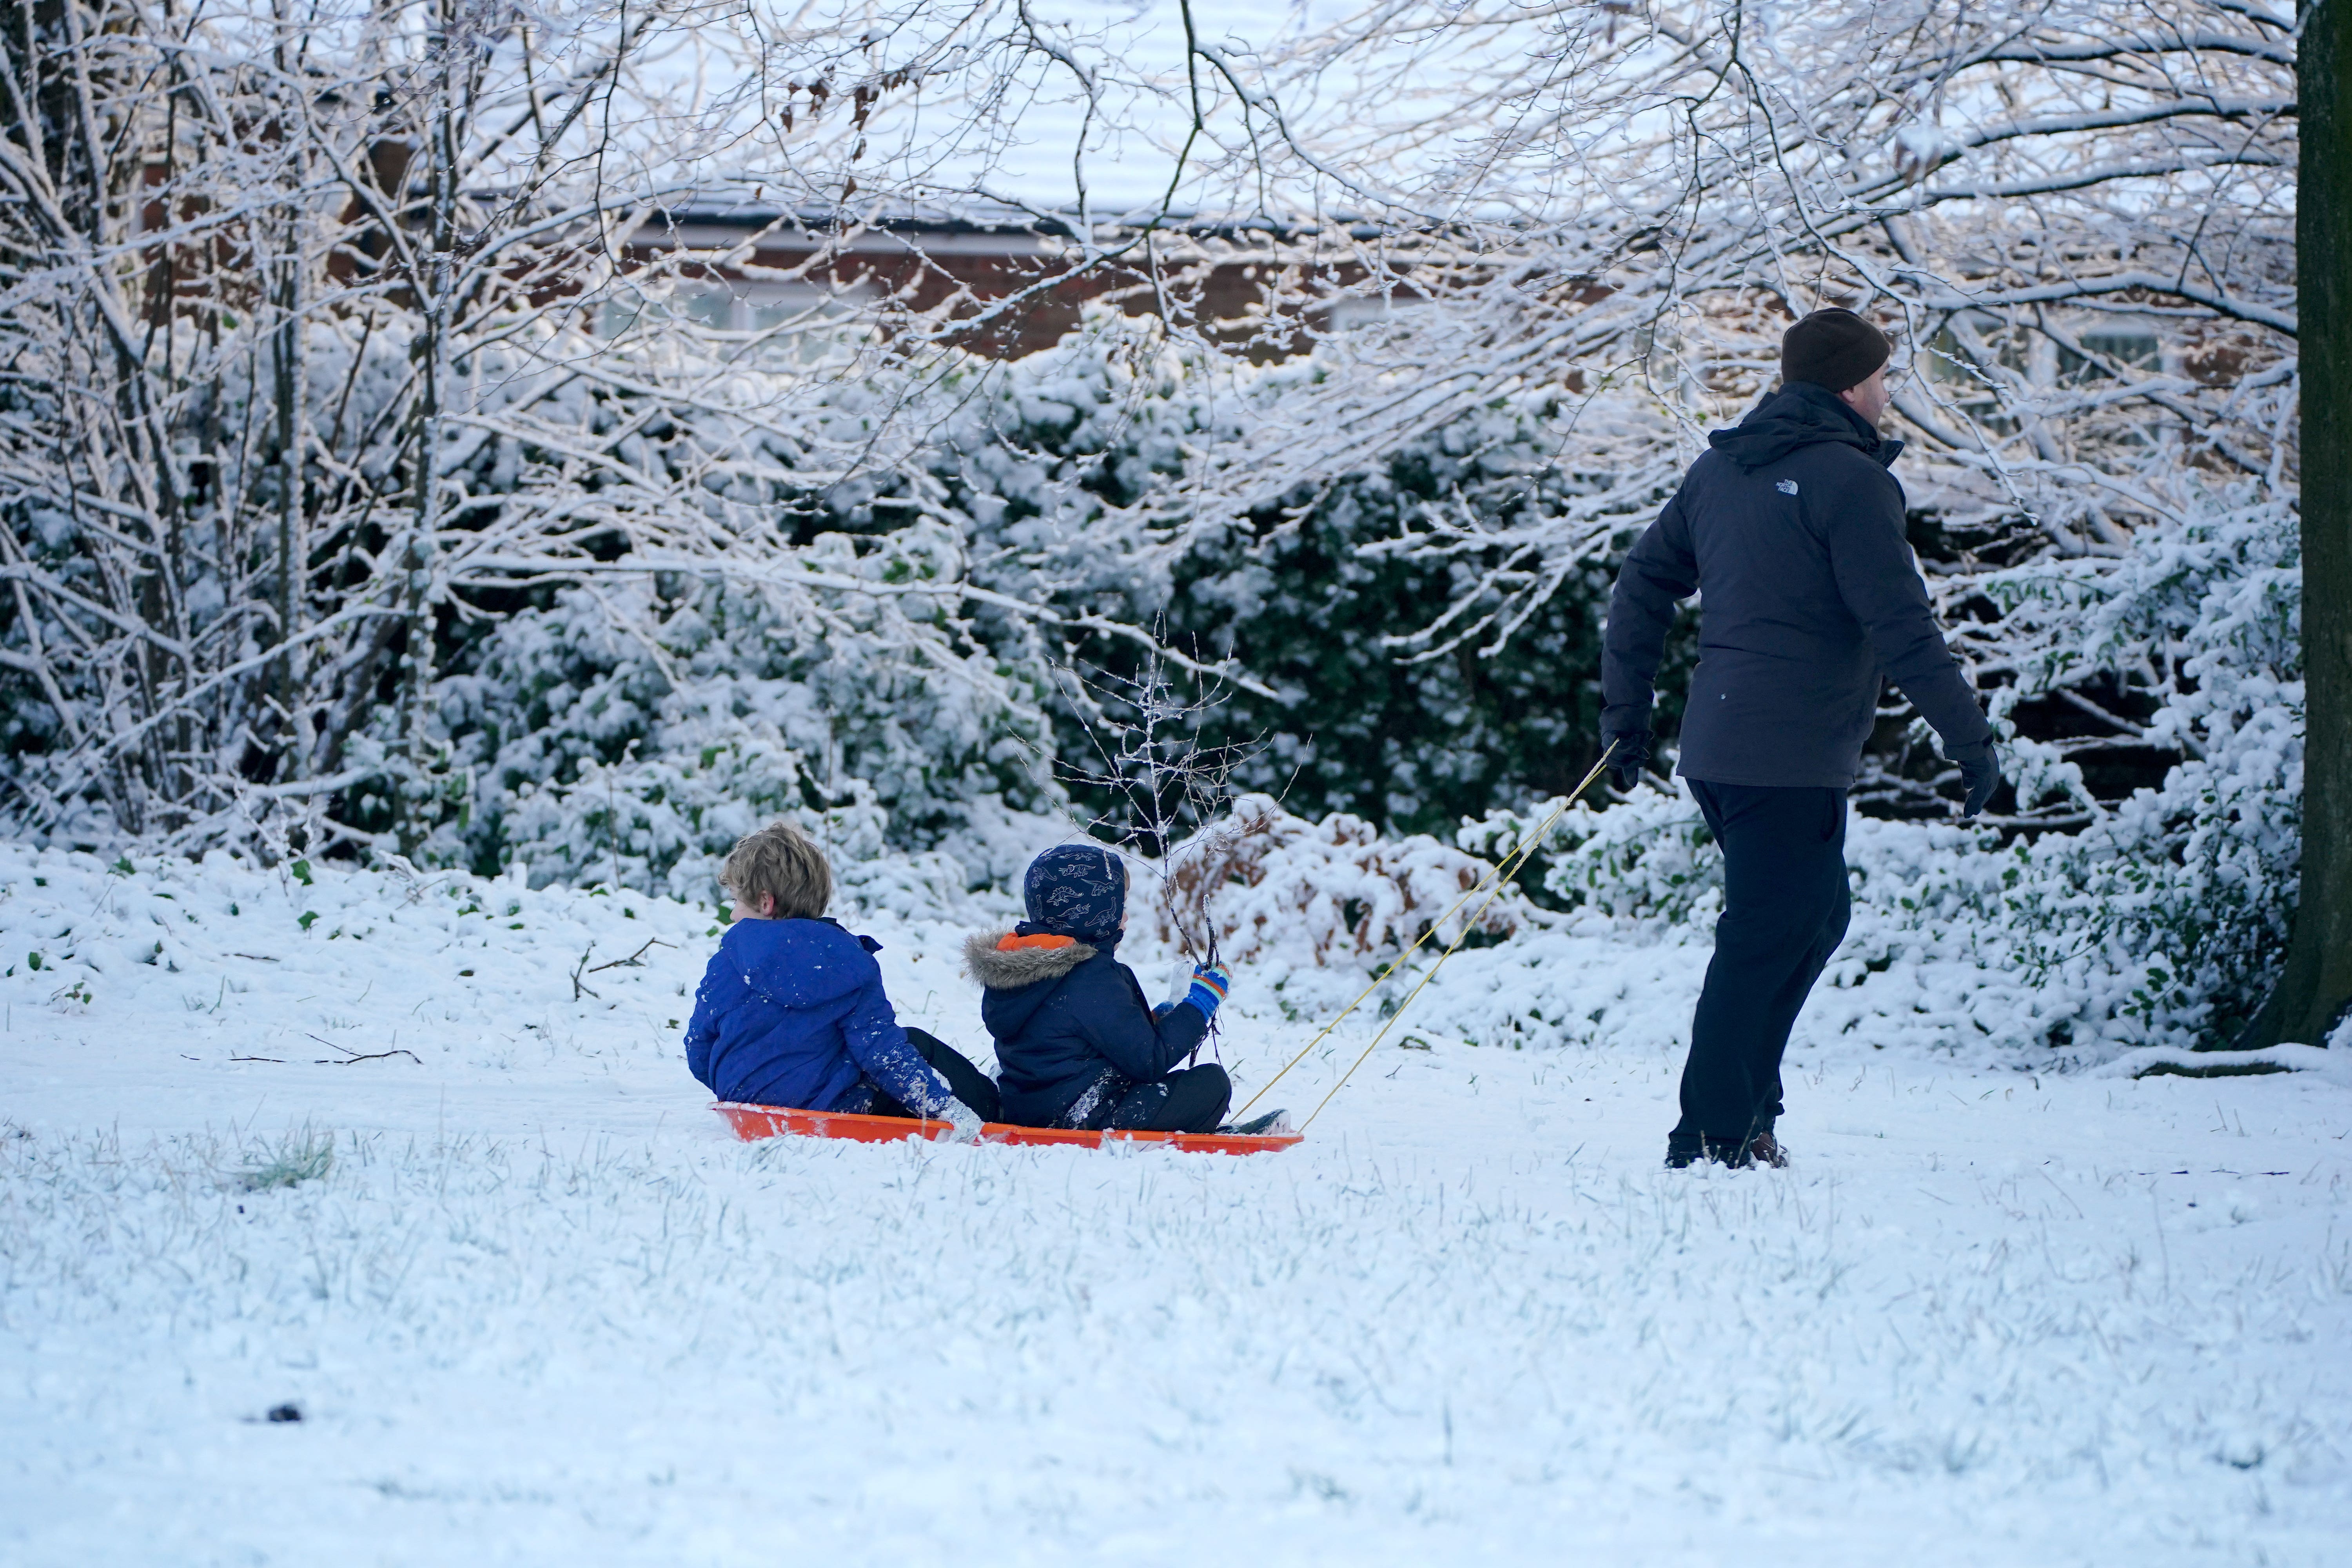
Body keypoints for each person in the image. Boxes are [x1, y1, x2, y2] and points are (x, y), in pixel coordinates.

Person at [1601, 307, 2003, 1171]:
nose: (1890, 393)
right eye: (1883, 378)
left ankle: (1747, 1113)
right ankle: (1710, 1135)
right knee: (1766, 936)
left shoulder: (1721, 470)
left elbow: (1639, 586)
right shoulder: (1850, 482)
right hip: (1784, 756)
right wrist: (1970, 738)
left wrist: (1627, 717)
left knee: (1813, 919)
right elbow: (1902, 625)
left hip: (1721, 749)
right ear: (1851, 386)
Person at [685, 819, 999, 1136]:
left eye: (736, 901)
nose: (733, 913)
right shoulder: (846, 961)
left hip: (747, 1109)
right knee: (914, 1042)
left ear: (766, 903)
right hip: (832, 1108)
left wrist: (743, 1085)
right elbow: (881, 1052)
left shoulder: (727, 962)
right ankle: (997, 1112)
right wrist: (943, 1107)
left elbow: (699, 1047)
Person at [964, 843, 1236, 1133]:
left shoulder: (1023, 964)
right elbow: (1149, 1060)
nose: (1126, 918)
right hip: (1081, 1115)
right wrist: (1199, 1006)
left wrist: (1158, 1020)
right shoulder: (1089, 975)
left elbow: (1077, 1035)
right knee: (1212, 1085)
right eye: (1121, 906)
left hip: (1029, 1107)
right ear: (1095, 911)